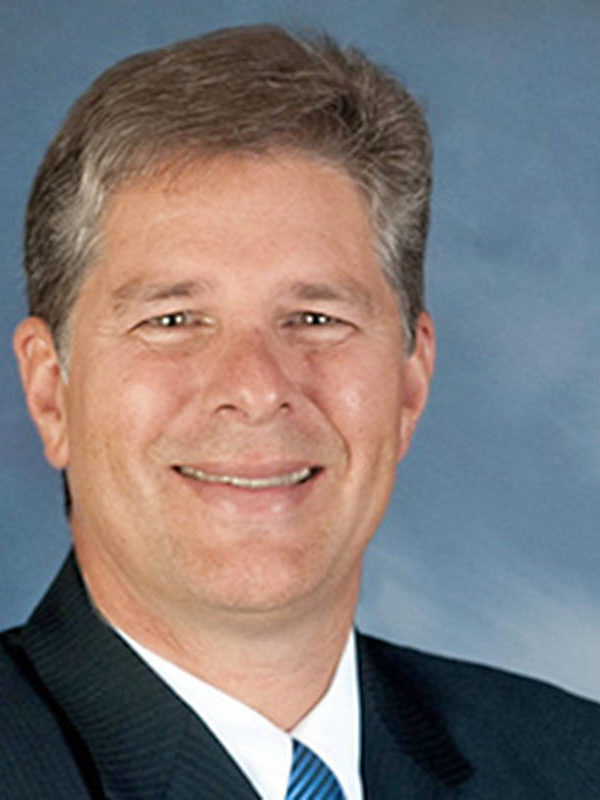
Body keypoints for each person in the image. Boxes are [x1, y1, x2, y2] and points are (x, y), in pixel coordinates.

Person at [2, 24, 599, 799]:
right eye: (173, 320)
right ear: (51, 390)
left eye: (316, 318)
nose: (256, 388)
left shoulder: (573, 764)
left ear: (410, 382)